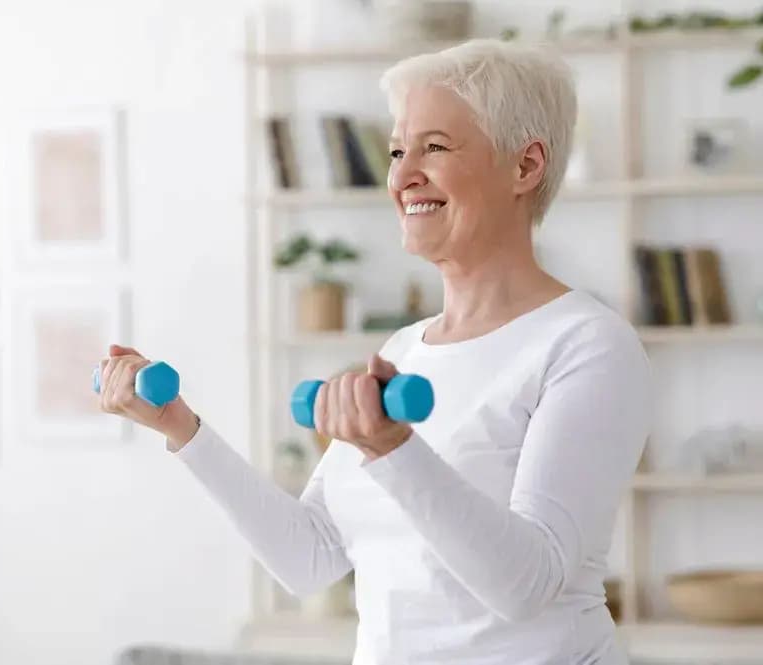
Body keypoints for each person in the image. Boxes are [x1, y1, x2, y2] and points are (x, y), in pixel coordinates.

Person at [97, 38, 651, 665]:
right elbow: (309, 558)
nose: (401, 174)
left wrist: (392, 448)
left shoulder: (588, 344)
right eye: (396, 151)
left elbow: (526, 584)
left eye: (434, 147)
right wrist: (181, 428)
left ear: (525, 167)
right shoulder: (403, 350)